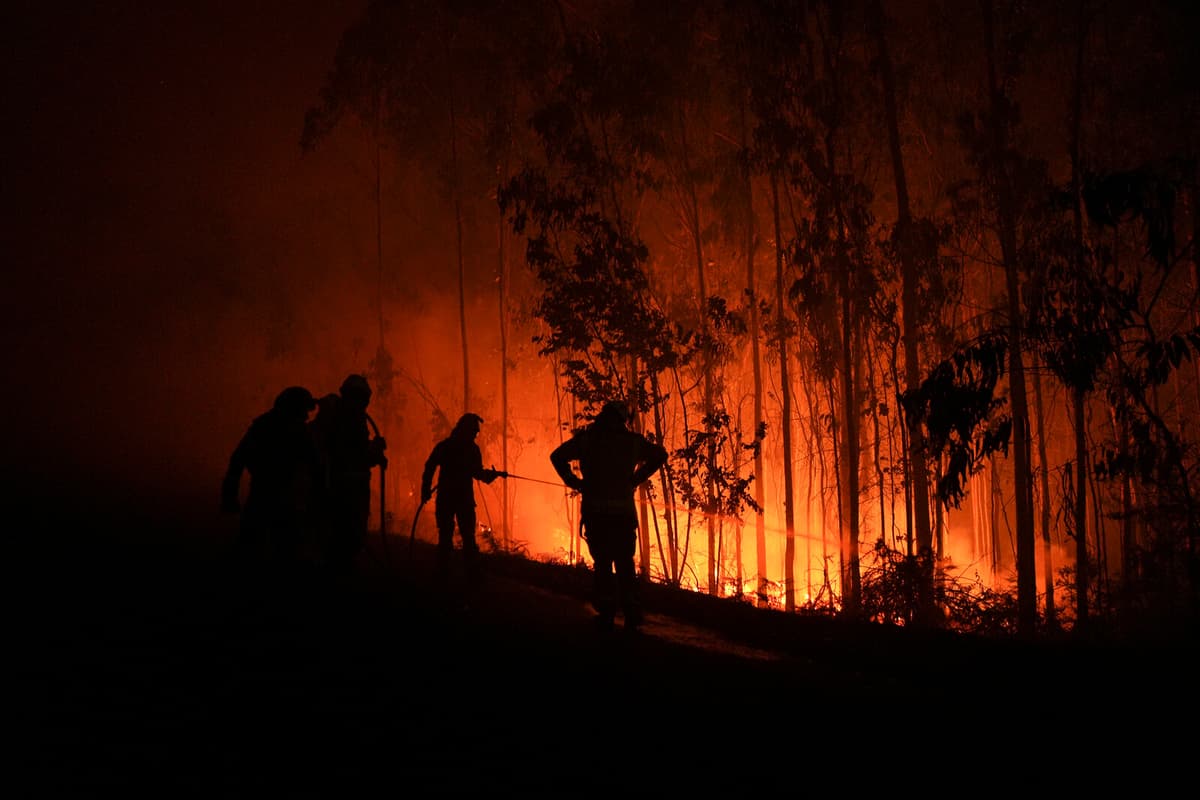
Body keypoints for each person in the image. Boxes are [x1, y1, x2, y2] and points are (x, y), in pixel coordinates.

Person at [550, 400, 668, 632]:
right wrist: (636, 478)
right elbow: (660, 454)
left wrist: (573, 482)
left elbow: (557, 456)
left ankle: (606, 612)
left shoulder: (588, 440)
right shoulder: (632, 442)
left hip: (597, 516)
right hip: (622, 517)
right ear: (623, 419)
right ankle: (632, 612)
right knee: (625, 564)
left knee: (603, 564)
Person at [221, 386, 319, 571]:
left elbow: (238, 460)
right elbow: (315, 465)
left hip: (266, 494)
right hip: (275, 496)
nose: (307, 417)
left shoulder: (265, 426)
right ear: (294, 409)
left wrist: (229, 495)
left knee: (257, 546)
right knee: (278, 548)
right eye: (304, 411)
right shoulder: (295, 431)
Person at [420, 413, 503, 594]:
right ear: (466, 429)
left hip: (453, 499)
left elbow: (431, 466)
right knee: (457, 538)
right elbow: (478, 474)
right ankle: (456, 576)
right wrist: (425, 489)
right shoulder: (464, 449)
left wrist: (493, 475)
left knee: (459, 537)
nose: (476, 434)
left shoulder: (452, 447)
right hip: (456, 499)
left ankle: (454, 576)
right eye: (474, 431)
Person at [315, 374, 387, 574]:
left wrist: (375, 452)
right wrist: (374, 451)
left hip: (350, 487)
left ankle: (338, 573)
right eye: (360, 397)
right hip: (343, 489)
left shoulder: (351, 419)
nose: (362, 403)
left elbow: (358, 454)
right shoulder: (346, 420)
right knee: (345, 536)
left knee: (348, 537)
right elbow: (353, 455)